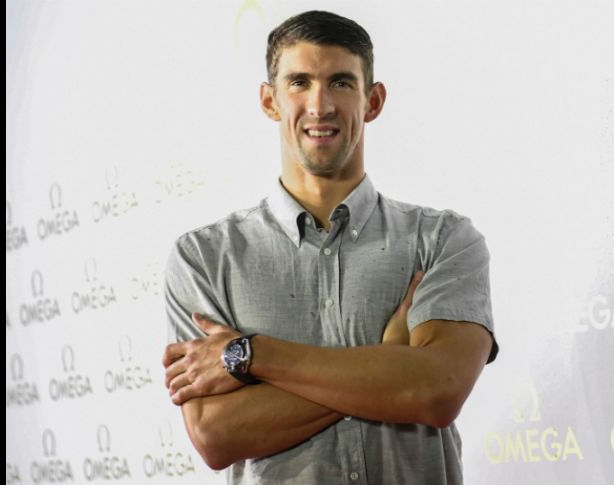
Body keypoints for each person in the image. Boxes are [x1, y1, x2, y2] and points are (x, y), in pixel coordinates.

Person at [162, 9, 499, 485]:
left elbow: (436, 392)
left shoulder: (442, 240)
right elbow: (216, 436)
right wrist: (389, 362)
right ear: (269, 101)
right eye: (299, 82)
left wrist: (250, 355)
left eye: (341, 82)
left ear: (373, 100)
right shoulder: (204, 258)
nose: (319, 106)